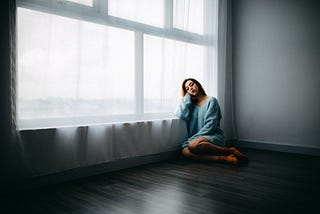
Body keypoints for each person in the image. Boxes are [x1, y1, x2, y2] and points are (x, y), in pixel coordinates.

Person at [176, 78, 248, 166]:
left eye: (192, 84)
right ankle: (223, 159)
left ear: (198, 84)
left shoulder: (211, 100)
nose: (190, 88)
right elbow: (181, 114)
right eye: (187, 88)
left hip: (212, 135)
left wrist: (192, 139)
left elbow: (211, 126)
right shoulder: (191, 105)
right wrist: (187, 97)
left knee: (192, 145)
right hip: (198, 140)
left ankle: (229, 150)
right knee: (185, 152)